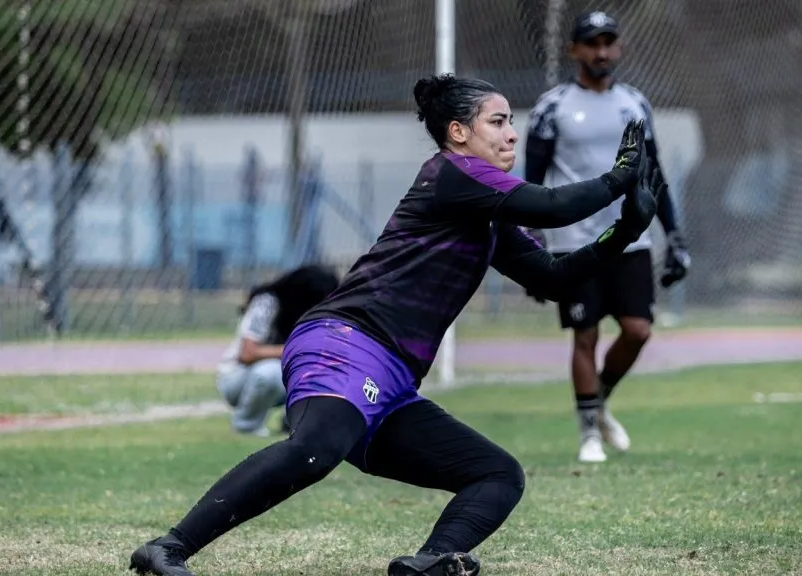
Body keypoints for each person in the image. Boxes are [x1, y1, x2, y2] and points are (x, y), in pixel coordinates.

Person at [128, 72, 665, 576]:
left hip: (392, 380)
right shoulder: (450, 173)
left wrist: (625, 231)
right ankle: (169, 547)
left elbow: (553, 277)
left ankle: (429, 561)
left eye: (510, 122)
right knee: (315, 450)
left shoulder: (486, 211)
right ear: (458, 133)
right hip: (347, 340)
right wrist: (619, 177)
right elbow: (552, 205)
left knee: (497, 474)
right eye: (498, 121)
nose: (511, 134)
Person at [524, 10, 692, 463]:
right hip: (573, 242)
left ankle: (597, 402)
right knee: (585, 335)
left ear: (618, 48)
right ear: (574, 50)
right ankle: (588, 434)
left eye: (608, 42)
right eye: (592, 43)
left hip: (630, 239)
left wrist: (675, 237)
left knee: (638, 331)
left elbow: (655, 174)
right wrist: (529, 245)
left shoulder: (634, 103)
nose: (601, 52)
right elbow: (531, 183)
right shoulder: (552, 107)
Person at [215, 264, 340, 437]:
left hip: (277, 381)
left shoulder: (310, 315)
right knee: (271, 372)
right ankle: (246, 426)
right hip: (237, 379)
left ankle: (294, 423)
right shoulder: (267, 302)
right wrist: (296, 349)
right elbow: (247, 354)